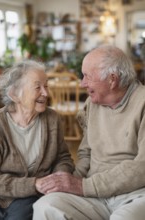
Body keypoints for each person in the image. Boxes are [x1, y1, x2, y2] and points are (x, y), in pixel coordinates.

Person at [32, 45, 145, 220]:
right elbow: (85, 152)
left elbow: (142, 168)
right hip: (95, 195)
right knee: (46, 206)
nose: (82, 84)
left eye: (87, 76)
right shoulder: (92, 104)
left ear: (112, 79)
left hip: (136, 194)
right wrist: (71, 181)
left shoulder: (142, 103)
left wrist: (83, 186)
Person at [0, 60, 74, 220]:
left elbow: (63, 157)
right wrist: (33, 184)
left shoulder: (52, 119)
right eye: (38, 87)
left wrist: (58, 177)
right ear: (15, 94)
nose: (46, 93)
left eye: (46, 86)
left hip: (29, 198)